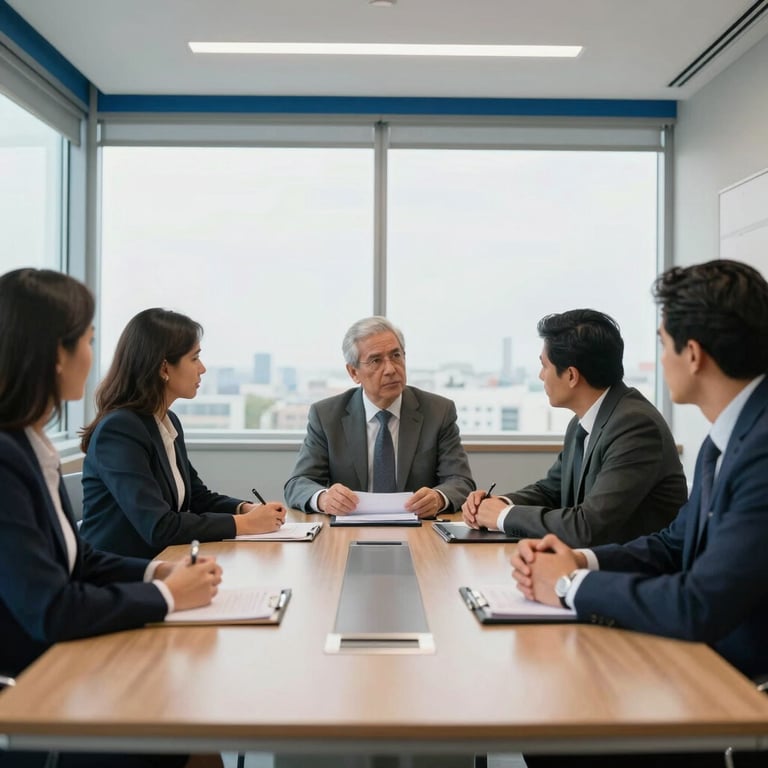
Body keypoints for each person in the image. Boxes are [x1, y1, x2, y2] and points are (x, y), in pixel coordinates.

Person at [512, 260, 768, 768]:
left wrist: (567, 586)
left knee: (556, 726)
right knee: (549, 718)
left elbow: (699, 603)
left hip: (731, 684)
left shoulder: (759, 449)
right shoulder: (728, 440)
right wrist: (581, 561)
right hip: (700, 654)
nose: (659, 357)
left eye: (663, 341)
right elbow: (675, 543)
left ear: (692, 355)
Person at [0, 268, 222, 768]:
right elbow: (51, 608)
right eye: (87, 341)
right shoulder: (7, 458)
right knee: (189, 725)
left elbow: (75, 560)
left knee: (197, 735)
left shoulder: (30, 446)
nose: (92, 356)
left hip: (68, 657)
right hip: (41, 685)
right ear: (56, 353)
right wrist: (166, 595)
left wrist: (155, 572)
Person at [462, 309, 686, 546]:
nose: (541, 376)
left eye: (544, 366)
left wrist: (502, 517)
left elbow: (587, 526)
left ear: (571, 375)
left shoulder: (635, 426)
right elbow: (552, 491)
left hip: (631, 573)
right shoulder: (583, 422)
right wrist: (497, 504)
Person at [79, 308, 286, 559]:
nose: (203, 369)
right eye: (194, 358)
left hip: (163, 561)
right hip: (120, 574)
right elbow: (159, 526)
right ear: (164, 367)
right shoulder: (120, 429)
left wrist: (245, 509)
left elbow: (197, 498)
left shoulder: (165, 420)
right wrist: (245, 524)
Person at [284, 316, 475, 517]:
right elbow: (298, 484)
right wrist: (324, 499)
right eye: (376, 360)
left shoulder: (438, 411)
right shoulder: (326, 416)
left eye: (396, 356)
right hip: (348, 532)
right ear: (353, 372)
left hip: (419, 531)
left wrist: (438, 498)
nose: (391, 369)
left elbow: (461, 482)